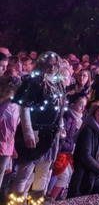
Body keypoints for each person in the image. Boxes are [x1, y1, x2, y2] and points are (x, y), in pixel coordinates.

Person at [11, 52, 66, 201]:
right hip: (35, 132)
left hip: (51, 134)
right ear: (42, 63)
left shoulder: (58, 82)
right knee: (25, 172)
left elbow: (60, 108)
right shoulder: (34, 82)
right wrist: (28, 133)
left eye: (55, 64)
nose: (52, 67)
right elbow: (24, 107)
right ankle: (16, 202)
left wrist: (61, 126)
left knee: (44, 172)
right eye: (49, 63)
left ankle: (35, 201)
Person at [49, 92, 87, 200]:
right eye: (80, 105)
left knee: (69, 173)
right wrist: (66, 147)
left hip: (66, 151)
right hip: (60, 152)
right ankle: (51, 198)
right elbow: (62, 137)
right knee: (64, 175)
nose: (82, 109)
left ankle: (56, 195)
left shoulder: (76, 118)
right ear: (72, 104)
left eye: (84, 106)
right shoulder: (67, 117)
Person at [0, 76, 21, 185]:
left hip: (7, 147)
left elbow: (13, 129)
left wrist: (12, 148)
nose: (4, 93)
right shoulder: (2, 106)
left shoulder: (15, 107)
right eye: (2, 89)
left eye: (8, 91)